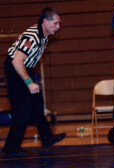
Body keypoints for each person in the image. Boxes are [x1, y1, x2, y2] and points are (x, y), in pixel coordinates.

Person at [2, 7, 66, 157]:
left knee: (37, 104)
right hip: (15, 69)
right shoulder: (32, 37)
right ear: (45, 21)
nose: (58, 27)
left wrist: (31, 74)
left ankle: (46, 137)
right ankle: (11, 147)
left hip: (26, 68)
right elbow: (17, 61)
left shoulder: (44, 36)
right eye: (56, 23)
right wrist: (29, 82)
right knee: (23, 109)